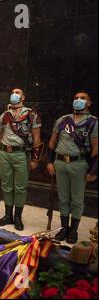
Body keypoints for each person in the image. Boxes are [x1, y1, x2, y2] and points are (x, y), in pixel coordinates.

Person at [47, 92, 97, 244]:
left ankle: (73, 230)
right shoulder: (63, 120)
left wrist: (93, 170)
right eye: (76, 98)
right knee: (63, 197)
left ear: (89, 103)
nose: (78, 100)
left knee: (76, 199)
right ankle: (64, 228)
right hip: (60, 163)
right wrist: (50, 162)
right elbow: (52, 143)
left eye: (82, 99)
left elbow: (96, 148)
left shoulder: (93, 122)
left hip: (79, 164)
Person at [0, 88, 43, 231]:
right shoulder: (4, 115)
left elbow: (36, 138)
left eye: (17, 93)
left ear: (23, 97)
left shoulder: (31, 115)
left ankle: (18, 217)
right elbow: (0, 136)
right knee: (7, 186)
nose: (13, 95)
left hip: (21, 154)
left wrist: (35, 159)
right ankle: (8, 215)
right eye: (12, 92)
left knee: (20, 188)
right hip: (4, 153)